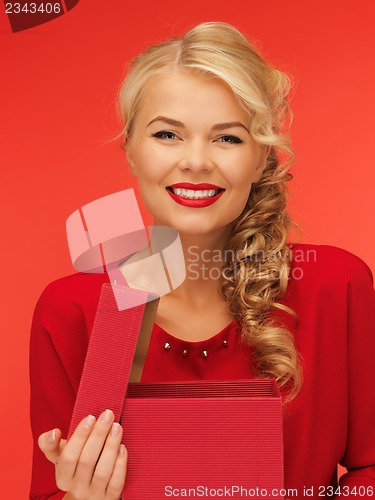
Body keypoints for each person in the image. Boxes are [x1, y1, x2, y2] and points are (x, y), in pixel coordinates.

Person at [31, 22, 375, 499]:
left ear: (261, 159)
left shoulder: (334, 287)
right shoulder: (77, 312)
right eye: (167, 134)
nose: (195, 161)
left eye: (228, 138)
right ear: (130, 149)